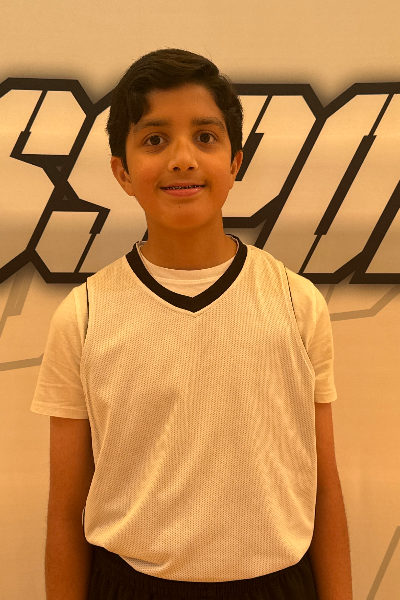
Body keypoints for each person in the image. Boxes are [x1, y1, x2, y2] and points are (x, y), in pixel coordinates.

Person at [31, 48, 341, 600]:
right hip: (130, 585)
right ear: (122, 172)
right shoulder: (83, 315)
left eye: (205, 137)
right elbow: (65, 511)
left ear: (235, 161)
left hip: (277, 584)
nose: (182, 159)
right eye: (155, 139)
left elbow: (324, 490)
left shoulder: (297, 302)